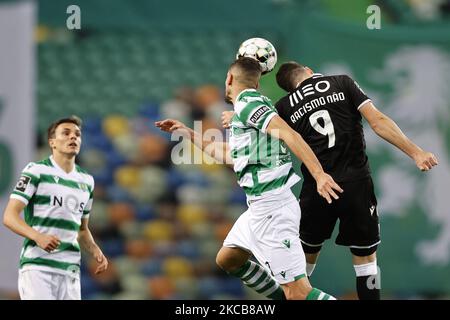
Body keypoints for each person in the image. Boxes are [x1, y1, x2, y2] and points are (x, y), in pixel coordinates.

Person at [156, 57, 343, 300]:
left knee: (298, 293)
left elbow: (289, 134)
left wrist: (319, 175)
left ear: (230, 79)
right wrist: (189, 133)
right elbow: (227, 154)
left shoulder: (247, 102)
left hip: (272, 210)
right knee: (229, 259)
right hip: (257, 209)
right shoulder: (245, 115)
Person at [259, 61, 436, 300]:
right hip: (356, 183)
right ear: (309, 71)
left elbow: (267, 143)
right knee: (366, 258)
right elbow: (378, 122)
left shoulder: (284, 106)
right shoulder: (341, 82)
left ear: (290, 88)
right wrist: (416, 152)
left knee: (302, 261)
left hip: (318, 187)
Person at [2, 116, 108, 300]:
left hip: (70, 270)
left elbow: (82, 230)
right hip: (38, 266)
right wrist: (38, 237)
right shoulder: (36, 171)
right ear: (52, 142)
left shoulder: (87, 181)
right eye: (66, 133)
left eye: (77, 134)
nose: (73, 137)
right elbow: (9, 216)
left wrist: (95, 250)